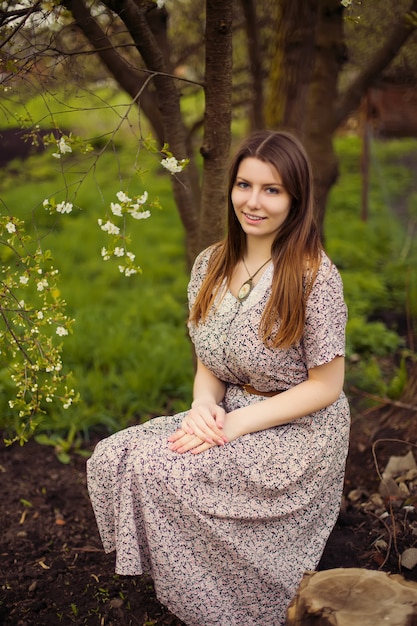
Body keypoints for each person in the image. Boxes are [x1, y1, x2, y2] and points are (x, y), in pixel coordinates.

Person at [87, 130, 350, 626]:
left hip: (297, 430)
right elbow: (210, 358)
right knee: (113, 457)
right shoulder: (211, 262)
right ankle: (196, 579)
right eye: (244, 185)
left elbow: (326, 386)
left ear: (295, 198)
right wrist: (203, 405)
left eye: (271, 190)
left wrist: (234, 426)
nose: (253, 202)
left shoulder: (313, 275)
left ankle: (237, 601)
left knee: (159, 468)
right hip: (228, 409)